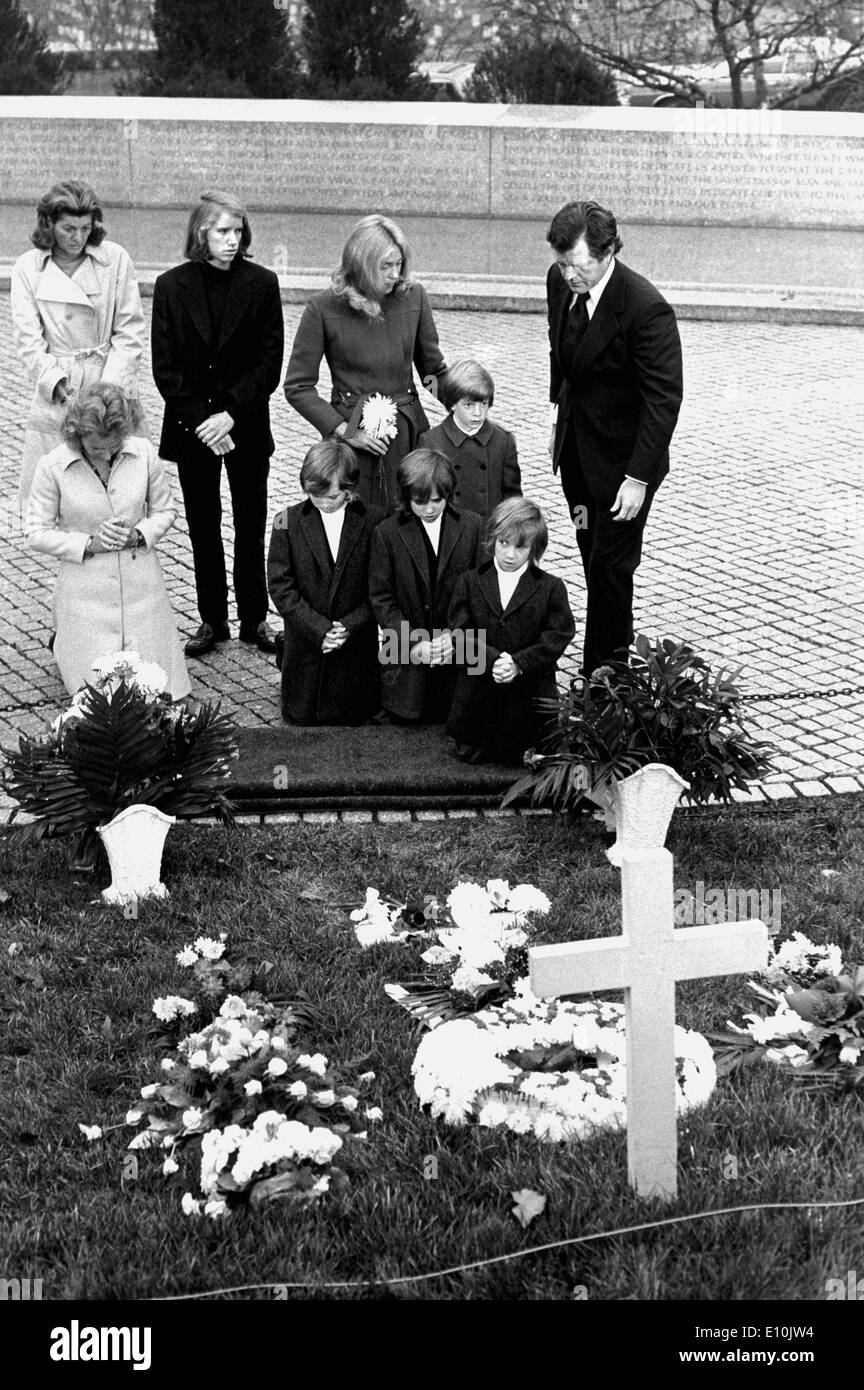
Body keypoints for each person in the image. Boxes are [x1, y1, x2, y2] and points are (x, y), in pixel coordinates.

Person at [546, 200, 683, 678]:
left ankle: (604, 684)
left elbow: (663, 402)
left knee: (611, 569)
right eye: (562, 265)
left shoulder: (646, 309)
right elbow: (560, 350)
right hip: (578, 455)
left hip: (625, 469)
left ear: (606, 252)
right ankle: (608, 668)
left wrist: (637, 478)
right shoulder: (557, 280)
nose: (568, 276)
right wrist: (557, 415)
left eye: (578, 265)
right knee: (593, 561)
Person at [151, 189, 284, 658]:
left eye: (237, 231)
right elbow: (166, 368)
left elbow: (269, 364)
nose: (232, 240)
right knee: (202, 525)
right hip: (193, 430)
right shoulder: (171, 286)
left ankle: (256, 618)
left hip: (244, 423)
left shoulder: (263, 283)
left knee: (251, 522)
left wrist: (229, 414)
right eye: (222, 231)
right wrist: (205, 422)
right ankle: (212, 620)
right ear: (200, 233)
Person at [26, 383, 190, 700]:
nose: (107, 454)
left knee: (159, 691)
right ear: (77, 434)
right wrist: (88, 544)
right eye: (97, 448)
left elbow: (166, 509)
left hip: (142, 586)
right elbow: (36, 531)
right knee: (96, 698)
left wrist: (139, 534)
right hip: (84, 592)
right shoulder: (52, 466)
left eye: (113, 446)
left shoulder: (142, 454)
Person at [283, 214, 447, 511]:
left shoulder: (414, 298)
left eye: (399, 264)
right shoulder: (322, 308)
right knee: (357, 524)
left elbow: (433, 373)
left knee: (406, 523)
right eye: (385, 266)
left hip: (407, 435)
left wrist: (464, 403)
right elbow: (298, 387)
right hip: (352, 442)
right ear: (361, 263)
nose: (394, 274)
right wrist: (345, 430)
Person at [11, 179, 145, 516]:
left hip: (108, 383)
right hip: (61, 389)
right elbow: (28, 339)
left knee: (118, 490)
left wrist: (108, 389)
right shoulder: (28, 267)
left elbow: (129, 329)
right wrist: (55, 382)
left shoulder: (114, 259)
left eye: (86, 227)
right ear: (48, 224)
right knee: (61, 493)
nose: (78, 237)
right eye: (68, 227)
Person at [447, 498, 575, 765]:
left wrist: (519, 663)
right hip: (479, 696)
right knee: (471, 754)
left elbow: (558, 635)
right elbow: (460, 631)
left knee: (521, 755)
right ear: (493, 539)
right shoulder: (470, 582)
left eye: (520, 547)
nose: (509, 554)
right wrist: (493, 660)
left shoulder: (551, 587)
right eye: (503, 543)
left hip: (527, 697)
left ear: (534, 549)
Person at [267, 440, 384, 725]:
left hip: (355, 649)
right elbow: (281, 585)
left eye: (332, 497)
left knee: (356, 715)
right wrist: (318, 629)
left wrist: (351, 625)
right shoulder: (287, 521)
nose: (323, 503)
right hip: (306, 650)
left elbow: (381, 587)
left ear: (350, 489)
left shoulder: (373, 521)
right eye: (314, 495)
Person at [369, 449, 482, 724]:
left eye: (436, 500)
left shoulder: (472, 526)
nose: (429, 509)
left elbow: (479, 592)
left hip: (457, 647)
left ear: (449, 494)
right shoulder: (386, 533)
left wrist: (455, 638)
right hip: (405, 647)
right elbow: (382, 599)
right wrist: (414, 644)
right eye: (420, 502)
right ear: (406, 497)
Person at [418, 359, 522, 520]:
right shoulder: (431, 442)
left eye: (484, 404)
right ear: (452, 404)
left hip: (489, 532)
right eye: (469, 405)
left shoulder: (503, 441)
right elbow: (424, 498)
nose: (478, 413)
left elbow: (512, 497)